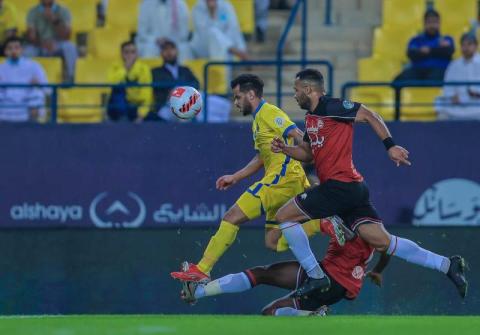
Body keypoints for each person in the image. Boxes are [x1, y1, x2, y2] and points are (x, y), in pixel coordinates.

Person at [270, 68, 468, 299]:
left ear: (308, 89)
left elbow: (371, 116)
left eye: (296, 90)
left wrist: (390, 145)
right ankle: (447, 265)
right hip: (352, 190)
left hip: (339, 186)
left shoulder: (333, 107)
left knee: (284, 216)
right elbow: (307, 154)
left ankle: (315, 276)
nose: (294, 95)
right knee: (382, 242)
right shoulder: (311, 118)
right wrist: (285, 149)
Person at [171, 74, 343, 283]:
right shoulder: (258, 121)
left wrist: (315, 161)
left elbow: (298, 134)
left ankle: (203, 269)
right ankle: (322, 224)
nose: (235, 103)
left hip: (282, 179)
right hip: (284, 179)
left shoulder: (269, 112)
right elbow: (261, 157)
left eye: (237, 97)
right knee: (273, 241)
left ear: (251, 94)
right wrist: (235, 177)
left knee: (231, 216)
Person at [180, 219, 390, 316]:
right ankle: (199, 291)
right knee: (263, 277)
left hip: (328, 280)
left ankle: (312, 316)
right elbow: (389, 247)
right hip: (329, 279)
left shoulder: (349, 221)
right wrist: (378, 270)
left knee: (270, 310)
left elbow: (308, 216)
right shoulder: (372, 224)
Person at [24, 0, 78, 82]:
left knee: (70, 47)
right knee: (27, 52)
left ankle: (70, 78)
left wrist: (54, 20)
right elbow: (32, 38)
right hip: (40, 45)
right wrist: (42, 44)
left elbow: (66, 36)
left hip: (58, 44)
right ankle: (26, 80)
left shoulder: (63, 11)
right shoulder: (32, 12)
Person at [394, 9, 454, 82]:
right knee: (397, 81)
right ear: (424, 24)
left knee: (434, 79)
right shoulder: (416, 40)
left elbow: (448, 52)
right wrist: (437, 51)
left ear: (439, 23)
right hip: (418, 70)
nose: (432, 25)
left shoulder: (446, 39)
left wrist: (427, 50)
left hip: (439, 70)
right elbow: (411, 54)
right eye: (429, 22)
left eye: (435, 22)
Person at [148, 39, 199, 121]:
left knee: (207, 99)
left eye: (172, 49)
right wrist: (170, 93)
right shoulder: (155, 72)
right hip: (166, 106)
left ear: (177, 51)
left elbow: (196, 84)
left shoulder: (185, 70)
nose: (169, 52)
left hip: (188, 101)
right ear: (161, 53)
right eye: (165, 49)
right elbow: (155, 91)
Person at [0, 36, 48, 122]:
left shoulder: (34, 66)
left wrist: (38, 84)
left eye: (16, 47)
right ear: (5, 52)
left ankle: (33, 127)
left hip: (27, 102)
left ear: (22, 50)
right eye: (10, 48)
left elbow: (48, 89)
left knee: (37, 94)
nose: (13, 51)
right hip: (6, 104)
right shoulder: (1, 68)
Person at [436, 33, 480, 120]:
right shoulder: (454, 65)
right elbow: (447, 86)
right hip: (457, 105)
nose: (466, 48)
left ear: (476, 46)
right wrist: (452, 96)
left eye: (469, 44)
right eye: (463, 45)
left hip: (477, 104)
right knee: (442, 115)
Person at [106, 41, 152, 122]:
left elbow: (146, 94)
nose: (130, 55)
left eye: (133, 52)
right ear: (121, 54)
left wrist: (141, 115)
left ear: (137, 54)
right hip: (118, 106)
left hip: (136, 106)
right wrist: (125, 69)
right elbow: (111, 84)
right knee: (118, 89)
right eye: (126, 52)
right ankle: (122, 118)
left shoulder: (144, 69)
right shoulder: (114, 67)